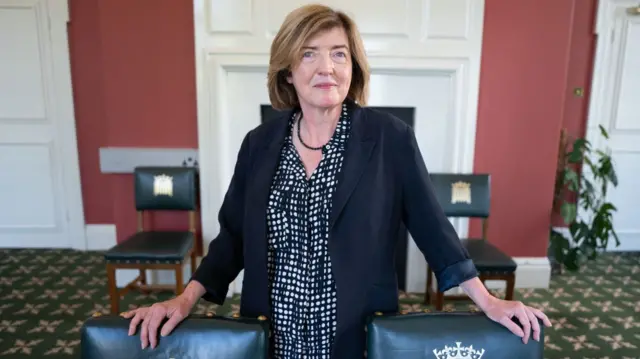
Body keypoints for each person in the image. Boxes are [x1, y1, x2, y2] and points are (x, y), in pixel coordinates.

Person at [122, 4, 551, 358]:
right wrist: (182, 299)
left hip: (353, 336)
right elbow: (232, 238)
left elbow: (434, 230)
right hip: (272, 336)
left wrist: (488, 300)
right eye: (309, 53)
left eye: (339, 53)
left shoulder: (389, 139)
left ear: (354, 66)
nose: (326, 67)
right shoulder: (259, 144)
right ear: (288, 71)